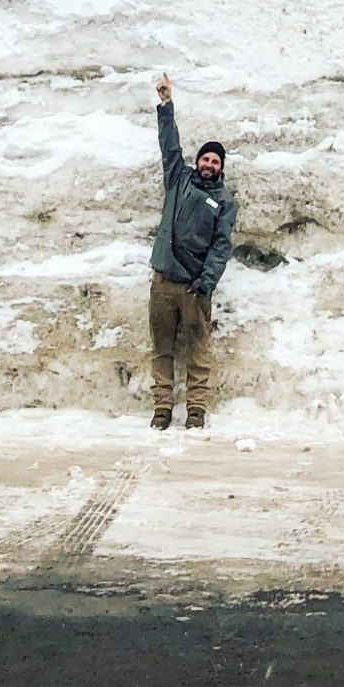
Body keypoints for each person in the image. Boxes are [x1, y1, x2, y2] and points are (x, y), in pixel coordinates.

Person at [148, 73, 237, 429]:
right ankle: (162, 408)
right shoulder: (179, 178)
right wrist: (166, 104)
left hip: (195, 289)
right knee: (163, 348)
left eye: (216, 162)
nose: (209, 165)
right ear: (198, 161)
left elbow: (221, 246)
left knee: (198, 351)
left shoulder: (225, 202)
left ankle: (196, 409)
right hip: (164, 282)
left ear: (221, 168)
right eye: (206, 159)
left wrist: (206, 282)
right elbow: (169, 145)